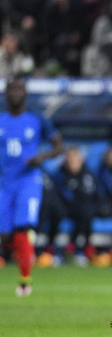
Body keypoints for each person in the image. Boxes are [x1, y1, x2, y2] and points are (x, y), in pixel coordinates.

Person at [0, 74, 64, 296]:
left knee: (23, 227)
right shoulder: (1, 119)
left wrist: (41, 157)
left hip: (28, 180)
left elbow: (59, 146)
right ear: (6, 93)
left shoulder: (37, 118)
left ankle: (25, 282)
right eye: (11, 89)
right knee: (5, 234)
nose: (15, 92)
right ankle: (23, 250)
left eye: (19, 89)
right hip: (4, 182)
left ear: (25, 93)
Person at [53, 146, 99, 262]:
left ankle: (82, 247)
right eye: (70, 159)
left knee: (87, 212)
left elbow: (93, 193)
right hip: (65, 208)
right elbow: (59, 194)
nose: (73, 163)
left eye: (75, 159)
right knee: (57, 212)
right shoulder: (61, 175)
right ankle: (54, 248)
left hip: (84, 208)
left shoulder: (87, 174)